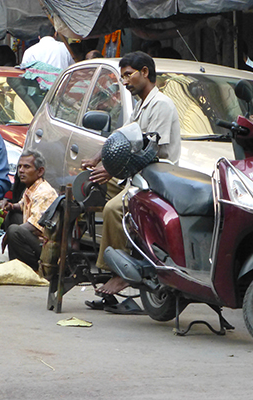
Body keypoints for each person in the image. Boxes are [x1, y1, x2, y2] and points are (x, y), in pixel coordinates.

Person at [82, 51, 181, 314]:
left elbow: (149, 152)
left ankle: (122, 271)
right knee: (87, 189)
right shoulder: (141, 104)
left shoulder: (161, 105)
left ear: (145, 72)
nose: (124, 81)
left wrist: (111, 170)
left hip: (155, 179)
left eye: (128, 75)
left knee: (114, 209)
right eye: (123, 76)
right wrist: (98, 159)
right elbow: (122, 139)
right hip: (136, 175)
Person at [0, 150, 57, 271]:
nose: (21, 170)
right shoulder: (31, 187)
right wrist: (10, 206)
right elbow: (21, 205)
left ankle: (30, 267)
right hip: (35, 239)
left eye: (26, 167)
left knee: (14, 231)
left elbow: (35, 226)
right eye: (19, 166)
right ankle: (16, 262)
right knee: (13, 215)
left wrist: (8, 235)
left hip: (46, 246)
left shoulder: (43, 192)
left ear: (40, 171)